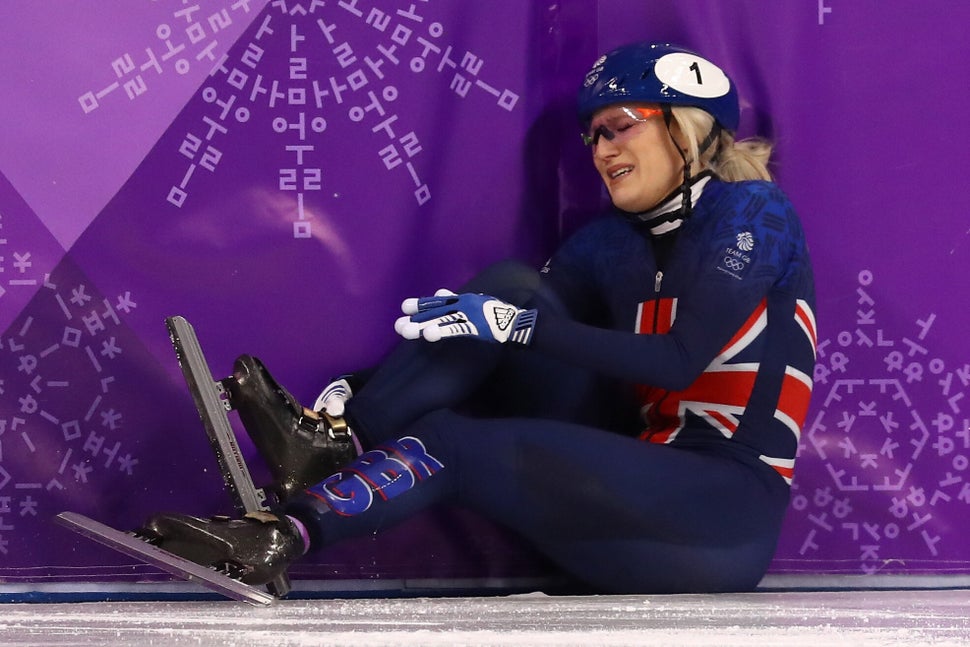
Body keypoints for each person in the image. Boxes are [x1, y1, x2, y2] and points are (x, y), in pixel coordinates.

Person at [139, 41, 817, 594]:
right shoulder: (613, 242)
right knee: (511, 285)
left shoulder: (751, 214)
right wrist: (358, 390)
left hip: (721, 518)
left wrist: (516, 326)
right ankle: (331, 442)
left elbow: (678, 359)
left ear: (686, 127)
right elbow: (499, 331)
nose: (601, 150)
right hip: (625, 509)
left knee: (456, 435)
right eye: (591, 135)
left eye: (620, 125)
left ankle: (277, 535)